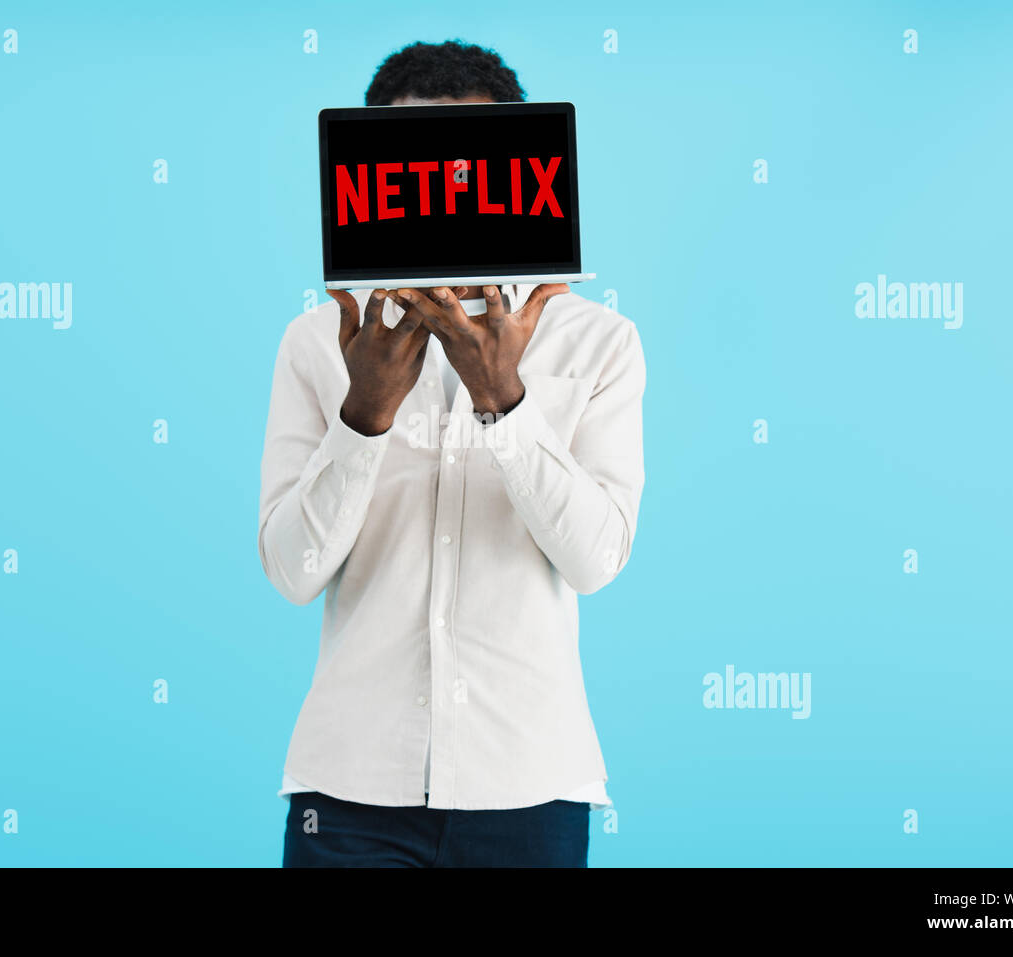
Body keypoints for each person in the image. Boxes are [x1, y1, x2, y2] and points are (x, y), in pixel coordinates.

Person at [259, 40, 646, 867]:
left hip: (530, 785)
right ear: (370, 176)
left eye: (469, 167)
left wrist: (506, 404)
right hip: (349, 793)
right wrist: (361, 416)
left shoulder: (599, 343)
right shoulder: (319, 342)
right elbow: (291, 572)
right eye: (417, 162)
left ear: (512, 173)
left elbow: (597, 558)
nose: (446, 187)